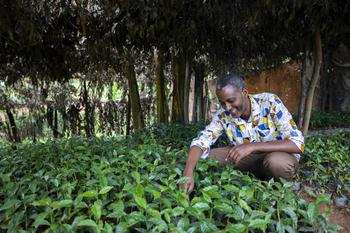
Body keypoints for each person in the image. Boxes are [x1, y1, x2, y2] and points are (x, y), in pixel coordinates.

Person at [182, 74, 304, 194]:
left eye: (231, 101)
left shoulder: (269, 102)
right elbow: (202, 140)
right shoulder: (223, 115)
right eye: (222, 103)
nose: (227, 107)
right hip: (247, 159)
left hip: (277, 156)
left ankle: (277, 186)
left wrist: (252, 146)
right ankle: (257, 177)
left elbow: (297, 144)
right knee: (202, 159)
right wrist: (188, 173)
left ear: (244, 93)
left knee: (277, 163)